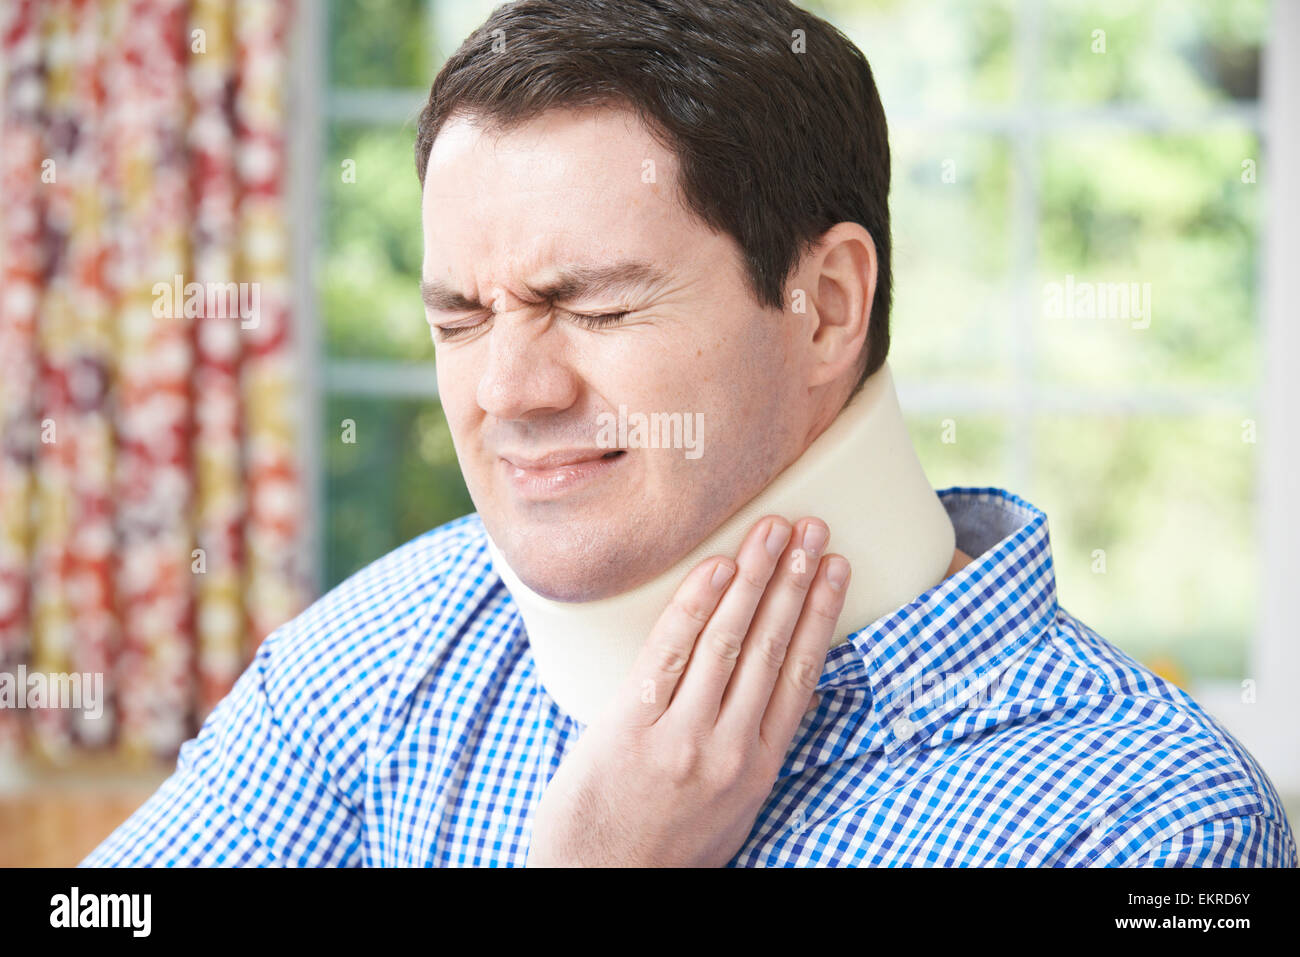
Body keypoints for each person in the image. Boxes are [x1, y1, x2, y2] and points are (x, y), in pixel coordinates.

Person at [84, 0, 1295, 867]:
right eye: (460, 318)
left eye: (595, 306)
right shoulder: (375, 660)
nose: (507, 391)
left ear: (825, 305)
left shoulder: (1148, 821)